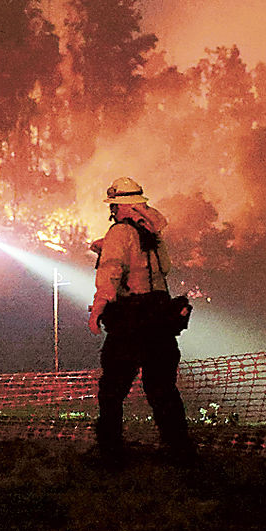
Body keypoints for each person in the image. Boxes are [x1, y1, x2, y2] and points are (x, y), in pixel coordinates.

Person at [87, 177, 197, 466]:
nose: (111, 211)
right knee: (162, 388)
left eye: (113, 206)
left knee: (112, 390)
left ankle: (110, 452)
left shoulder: (119, 232)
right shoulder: (152, 234)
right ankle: (179, 449)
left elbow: (111, 272)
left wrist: (98, 309)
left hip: (131, 322)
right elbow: (165, 268)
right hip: (159, 319)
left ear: (119, 207)